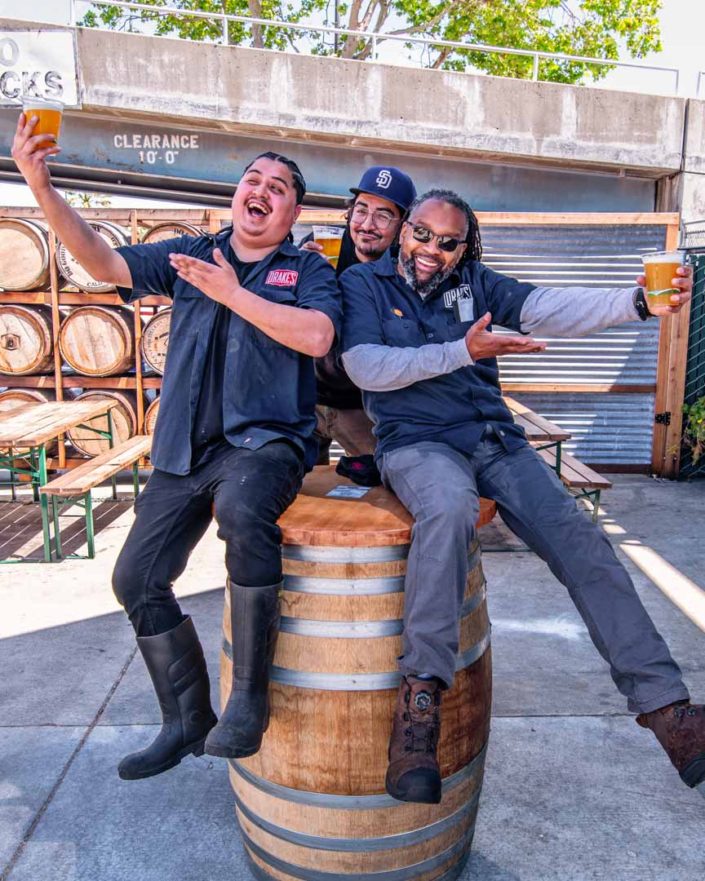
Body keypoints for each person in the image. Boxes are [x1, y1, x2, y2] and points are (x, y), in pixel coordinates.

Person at [340, 188, 704, 805]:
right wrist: (464, 350)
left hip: (493, 439)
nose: (432, 249)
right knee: (449, 511)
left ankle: (668, 710)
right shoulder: (363, 285)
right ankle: (420, 706)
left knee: (581, 538)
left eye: (448, 241)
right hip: (418, 443)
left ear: (464, 246)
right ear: (404, 233)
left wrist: (639, 302)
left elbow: (546, 307)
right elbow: (366, 368)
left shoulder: (477, 282)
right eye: (422, 234)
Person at [12, 114, 341, 780]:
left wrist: (232, 292)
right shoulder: (191, 253)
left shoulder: (306, 269)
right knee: (135, 578)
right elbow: (101, 265)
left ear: (292, 210)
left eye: (278, 186)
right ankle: (187, 718)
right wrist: (40, 188)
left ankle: (247, 697)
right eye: (253, 178)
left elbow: (316, 337)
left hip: (263, 444)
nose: (261, 188)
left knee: (246, 518)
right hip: (183, 446)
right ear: (236, 194)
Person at [302, 166, 416, 464]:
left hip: (364, 407)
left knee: (391, 481)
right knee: (291, 492)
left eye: (383, 215)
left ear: (404, 226)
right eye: (361, 210)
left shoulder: (407, 272)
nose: (367, 224)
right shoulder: (321, 246)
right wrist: (304, 273)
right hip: (305, 400)